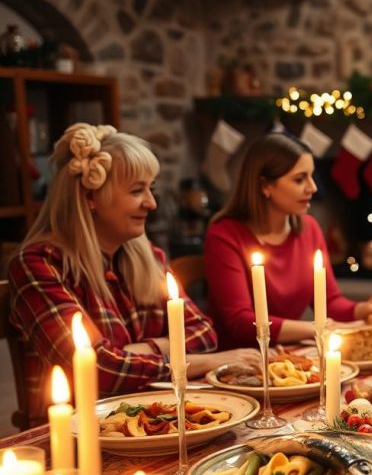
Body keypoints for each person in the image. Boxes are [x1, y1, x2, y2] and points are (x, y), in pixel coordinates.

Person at [8, 124, 258, 427]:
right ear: (90, 196)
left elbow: (203, 333)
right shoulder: (39, 263)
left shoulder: (148, 256)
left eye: (150, 189)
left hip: (156, 419)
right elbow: (96, 368)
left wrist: (139, 351)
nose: (151, 203)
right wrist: (189, 360)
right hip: (79, 433)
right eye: (137, 190)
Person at [205, 133, 372, 349]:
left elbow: (330, 302)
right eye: (299, 179)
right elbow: (241, 322)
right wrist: (319, 328)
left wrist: (364, 309)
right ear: (265, 185)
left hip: (290, 351)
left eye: (312, 176)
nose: (313, 188)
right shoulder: (224, 235)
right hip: (240, 361)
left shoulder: (309, 228)